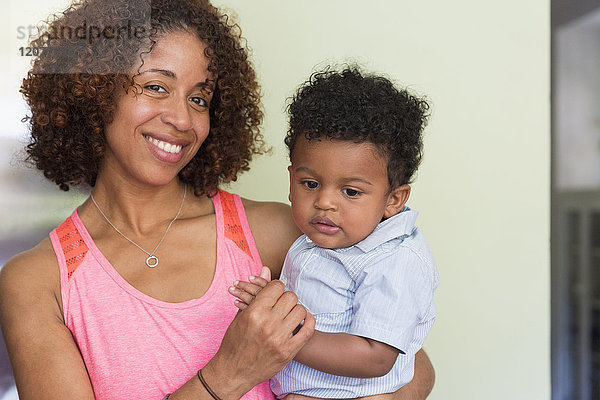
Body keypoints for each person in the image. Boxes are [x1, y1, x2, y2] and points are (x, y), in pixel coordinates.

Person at [0, 0, 435, 399]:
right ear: (93, 92)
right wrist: (229, 373)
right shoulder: (38, 282)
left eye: (199, 98)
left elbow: (412, 369)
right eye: (155, 87)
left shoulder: (281, 233)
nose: (181, 119)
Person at [231, 67, 438, 399]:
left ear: (394, 199)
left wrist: (283, 335)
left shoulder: (396, 260)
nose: (324, 202)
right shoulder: (315, 242)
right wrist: (271, 303)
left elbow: (375, 356)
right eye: (310, 184)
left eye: (351, 192)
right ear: (290, 180)